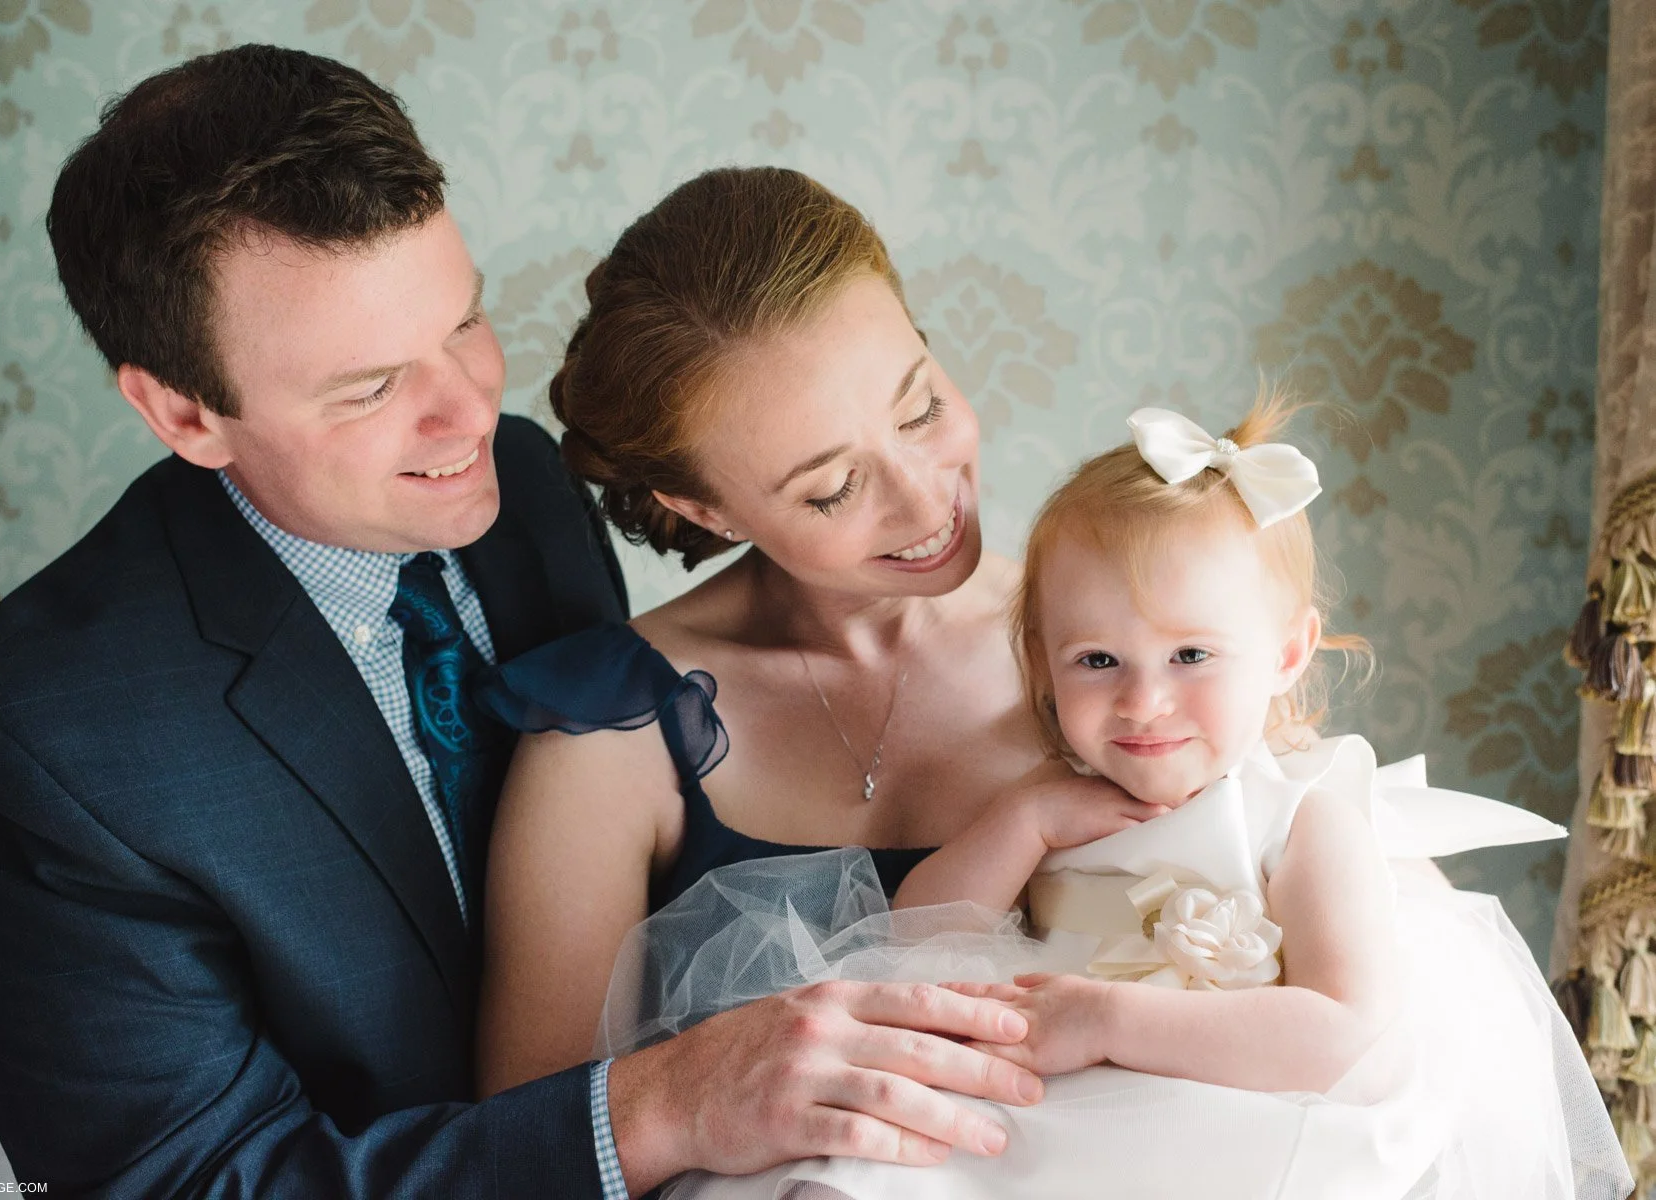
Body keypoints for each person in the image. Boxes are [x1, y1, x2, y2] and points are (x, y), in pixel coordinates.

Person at [0, 47, 1047, 1198]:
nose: (469, 412)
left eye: (465, 321)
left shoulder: (522, 492)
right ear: (185, 413)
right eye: (370, 387)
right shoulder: (39, 753)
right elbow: (186, 1183)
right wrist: (665, 1104)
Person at [590, 401, 1633, 1199]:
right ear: (1041, 663)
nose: (1142, 701)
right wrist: (1020, 827)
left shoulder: (1305, 813)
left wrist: (1107, 1020)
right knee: (848, 1175)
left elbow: (1344, 1032)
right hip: (1043, 1103)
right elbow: (912, 938)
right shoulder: (1050, 797)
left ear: (1286, 653)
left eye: (1192, 655)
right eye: (1097, 660)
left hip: (1217, 1112)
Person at [473, 165, 1162, 1101]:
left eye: (921, 408)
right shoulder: (611, 728)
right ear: (706, 510)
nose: (926, 499)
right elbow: (532, 1137)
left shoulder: (1140, 643)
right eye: (832, 488)